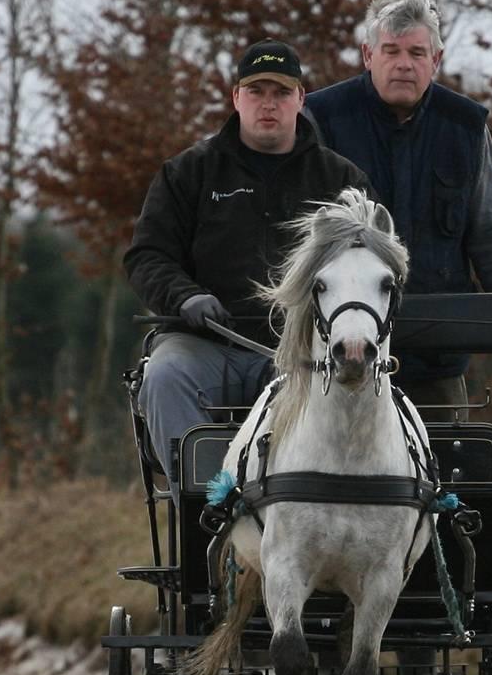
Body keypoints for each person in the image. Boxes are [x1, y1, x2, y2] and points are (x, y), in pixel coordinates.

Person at [125, 39, 372, 501]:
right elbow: (147, 256)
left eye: (281, 93)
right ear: (235, 97)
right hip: (200, 344)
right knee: (163, 375)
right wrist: (184, 297)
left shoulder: (342, 182)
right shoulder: (187, 173)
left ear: (301, 100)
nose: (269, 104)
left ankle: (289, 520)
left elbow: (367, 264)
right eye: (256, 91)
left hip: (297, 349)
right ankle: (203, 516)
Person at [304, 0, 492, 411]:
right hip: (340, 354)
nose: (404, 64)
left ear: (435, 61)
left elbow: (491, 230)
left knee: (453, 474)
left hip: (437, 357)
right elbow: (299, 237)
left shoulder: (465, 126)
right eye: (392, 51)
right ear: (368, 55)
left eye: (417, 53)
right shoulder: (321, 118)